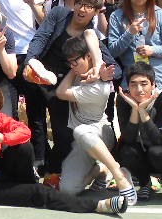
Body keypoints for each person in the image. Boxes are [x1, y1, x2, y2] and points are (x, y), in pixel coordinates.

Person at [0, 85, 127, 216]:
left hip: (1, 172)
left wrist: (2, 138)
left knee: (23, 146)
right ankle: (98, 206)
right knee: (40, 192)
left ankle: (28, 185)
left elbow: (25, 132)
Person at [23, 0, 117, 177]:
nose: (82, 9)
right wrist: (29, 61)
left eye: (89, 7)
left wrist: (103, 73)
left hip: (64, 83)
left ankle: (56, 170)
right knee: (36, 123)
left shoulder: (90, 35)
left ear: (96, 12)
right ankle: (38, 164)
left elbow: (113, 66)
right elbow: (41, 36)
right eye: (80, 4)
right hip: (40, 73)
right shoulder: (59, 14)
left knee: (62, 131)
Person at [55, 36, 133, 201]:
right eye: (70, 63)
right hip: (81, 142)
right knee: (67, 190)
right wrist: (91, 66)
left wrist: (95, 69)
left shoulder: (100, 87)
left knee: (81, 131)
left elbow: (61, 93)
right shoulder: (82, 71)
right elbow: (90, 32)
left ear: (88, 55)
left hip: (101, 135)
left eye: (75, 62)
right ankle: (101, 170)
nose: (73, 67)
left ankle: (117, 173)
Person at [115, 62, 162, 203]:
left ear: (153, 84)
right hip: (143, 151)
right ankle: (145, 183)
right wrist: (135, 110)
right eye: (133, 85)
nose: (139, 90)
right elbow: (128, 138)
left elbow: (158, 139)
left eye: (144, 84)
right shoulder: (124, 100)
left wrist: (142, 111)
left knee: (157, 152)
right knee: (126, 151)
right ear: (128, 86)